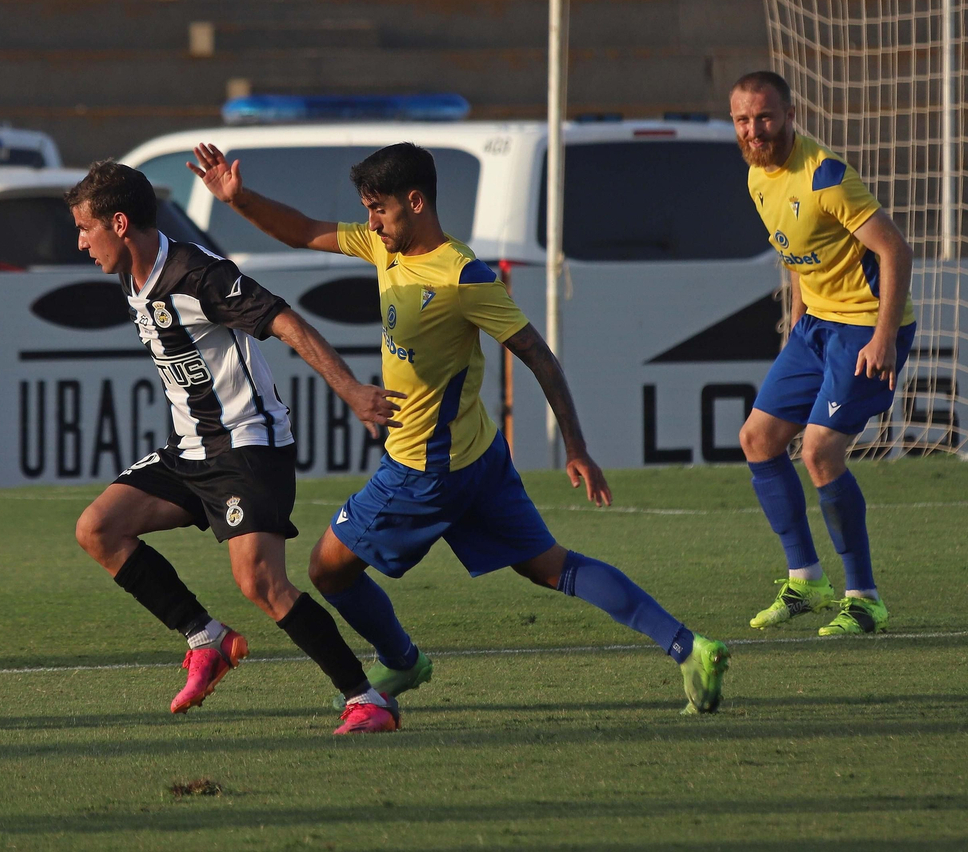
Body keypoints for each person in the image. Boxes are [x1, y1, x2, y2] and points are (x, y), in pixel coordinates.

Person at [188, 142, 730, 715]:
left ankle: (400, 660)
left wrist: (576, 445)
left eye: (379, 209)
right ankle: (689, 647)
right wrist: (238, 196)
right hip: (480, 457)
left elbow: (539, 355)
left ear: (415, 202)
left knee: (326, 568)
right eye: (368, 210)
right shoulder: (384, 245)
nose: (370, 222)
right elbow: (300, 229)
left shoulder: (461, 276)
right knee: (551, 565)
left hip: (424, 471)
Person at [66, 161, 406, 734]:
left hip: (248, 447)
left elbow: (286, 321)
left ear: (119, 224)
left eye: (85, 229)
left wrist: (349, 388)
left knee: (261, 583)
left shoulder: (198, 274)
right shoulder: (132, 272)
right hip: (191, 449)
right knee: (98, 529)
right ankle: (207, 638)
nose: (80, 243)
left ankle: (366, 698)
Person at [729, 71, 916, 635]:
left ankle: (864, 598)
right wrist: (799, 320)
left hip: (865, 328)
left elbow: (895, 251)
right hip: (816, 327)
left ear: (789, 114)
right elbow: (798, 255)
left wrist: (883, 336)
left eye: (764, 117)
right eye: (743, 119)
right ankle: (806, 579)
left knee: (819, 452)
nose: (754, 129)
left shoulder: (826, 177)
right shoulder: (757, 176)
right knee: (757, 440)